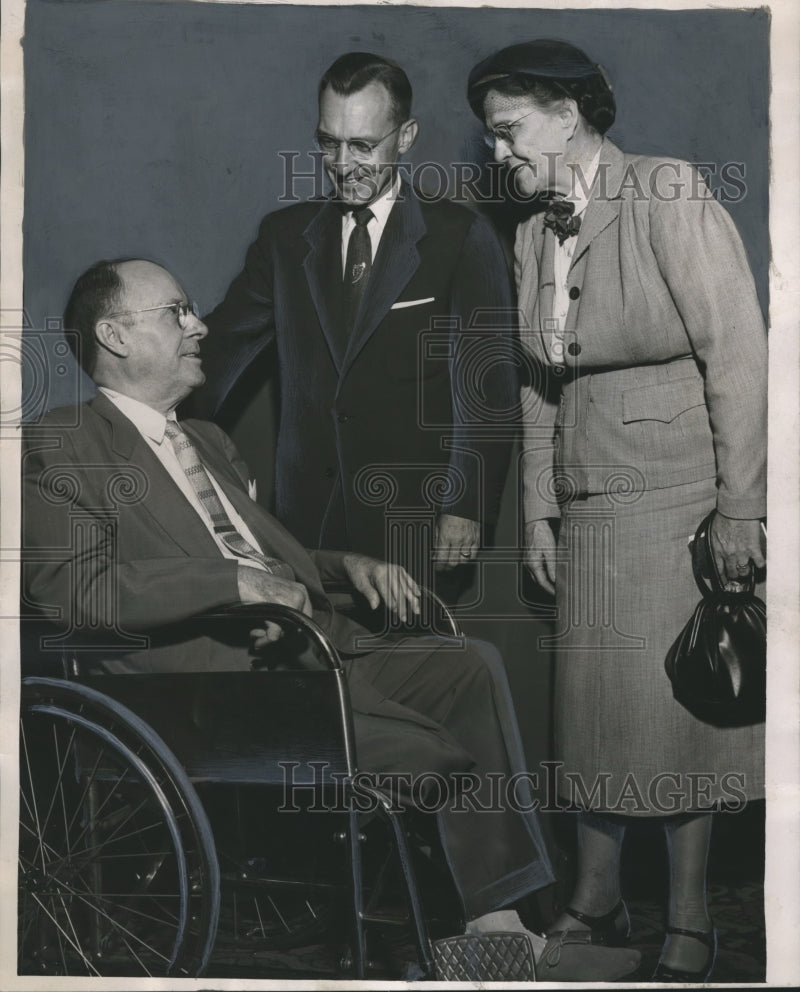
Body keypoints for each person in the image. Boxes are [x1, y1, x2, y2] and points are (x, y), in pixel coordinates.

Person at [21, 257, 641, 982]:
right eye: (178, 311)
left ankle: (494, 925)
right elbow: (72, 590)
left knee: (464, 666)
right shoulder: (63, 441)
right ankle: (472, 930)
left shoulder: (207, 442)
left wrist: (345, 565)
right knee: (430, 750)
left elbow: (260, 556)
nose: (201, 326)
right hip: (206, 683)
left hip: (305, 647)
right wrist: (235, 584)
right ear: (115, 334)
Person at [467, 38, 767, 982]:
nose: (499, 155)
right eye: (490, 140)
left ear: (569, 113)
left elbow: (740, 354)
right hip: (590, 502)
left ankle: (688, 923)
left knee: (681, 714)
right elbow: (538, 385)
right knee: (591, 721)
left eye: (510, 132)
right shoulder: (530, 232)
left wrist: (742, 509)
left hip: (680, 497)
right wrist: (539, 509)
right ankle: (597, 908)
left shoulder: (668, 191)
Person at [192, 52, 518, 588]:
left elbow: (488, 388)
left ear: (406, 136)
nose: (343, 164)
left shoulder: (460, 237)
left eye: (363, 145)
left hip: (413, 519)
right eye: (328, 142)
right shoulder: (283, 238)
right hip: (304, 525)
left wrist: (466, 505)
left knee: (410, 668)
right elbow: (216, 355)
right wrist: (137, 427)